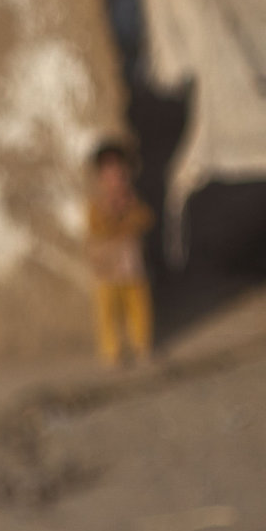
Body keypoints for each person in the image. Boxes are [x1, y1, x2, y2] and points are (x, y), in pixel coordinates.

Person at [86, 137, 156, 367]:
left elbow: (146, 220)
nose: (115, 178)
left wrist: (129, 210)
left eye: (119, 172)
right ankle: (111, 352)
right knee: (108, 312)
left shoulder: (134, 201)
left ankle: (142, 346)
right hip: (107, 269)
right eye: (109, 173)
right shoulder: (97, 204)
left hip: (132, 266)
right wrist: (111, 212)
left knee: (138, 307)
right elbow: (96, 228)